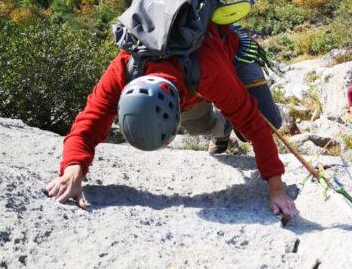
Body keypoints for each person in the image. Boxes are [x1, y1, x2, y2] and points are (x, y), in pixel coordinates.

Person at [44, 22, 297, 219]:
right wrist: (73, 169)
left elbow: (254, 123)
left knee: (262, 124)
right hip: (188, 85)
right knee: (200, 126)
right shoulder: (123, 68)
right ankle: (222, 130)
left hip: (231, 53)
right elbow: (87, 124)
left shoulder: (210, 71)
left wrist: (276, 189)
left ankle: (230, 123)